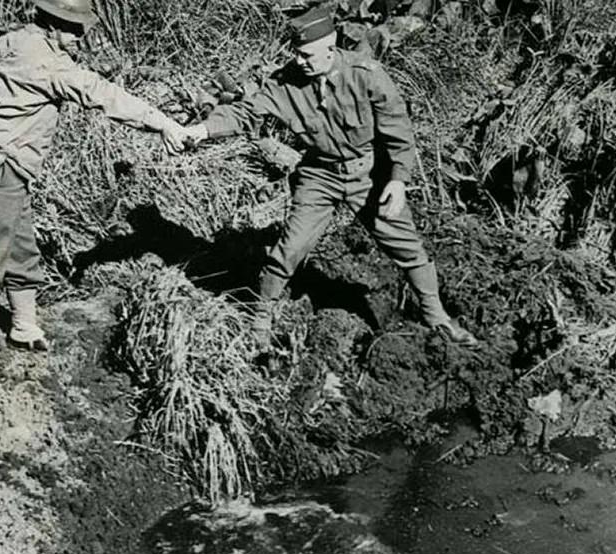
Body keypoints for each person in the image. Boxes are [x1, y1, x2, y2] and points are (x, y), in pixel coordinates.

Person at [185, 5, 478, 350]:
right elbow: (246, 112)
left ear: (330, 46)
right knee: (291, 247)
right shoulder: (285, 83)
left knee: (406, 247)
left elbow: (399, 130)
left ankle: (436, 317)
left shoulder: (365, 74)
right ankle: (259, 319)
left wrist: (398, 180)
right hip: (319, 175)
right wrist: (203, 130)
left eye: (307, 55)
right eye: (296, 53)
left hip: (369, 174)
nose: (300, 62)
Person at [0, 0, 188, 377]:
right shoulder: (46, 62)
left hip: (3, 170)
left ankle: (24, 327)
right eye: (73, 29)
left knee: (21, 250)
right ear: (53, 25)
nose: (79, 37)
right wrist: (163, 123)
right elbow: (101, 93)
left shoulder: (15, 40)